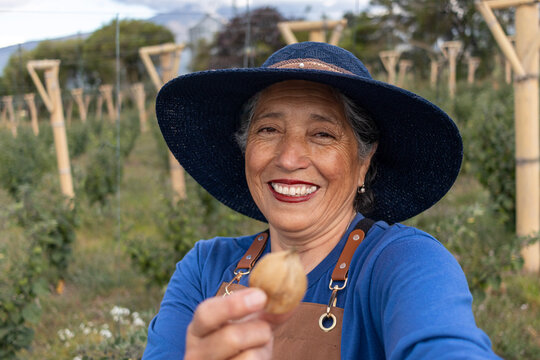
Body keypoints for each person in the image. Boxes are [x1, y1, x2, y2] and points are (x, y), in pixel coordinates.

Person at [143, 42, 500, 359]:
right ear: (245, 147)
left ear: (364, 161)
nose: (289, 158)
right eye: (269, 130)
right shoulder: (204, 269)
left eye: (322, 134)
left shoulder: (403, 263)